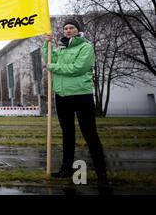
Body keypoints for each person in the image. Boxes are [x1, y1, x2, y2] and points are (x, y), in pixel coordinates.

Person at [42, 19, 111, 193]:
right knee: (67, 134)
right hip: (62, 96)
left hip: (81, 96)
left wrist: (54, 67)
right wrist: (47, 42)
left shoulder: (85, 47)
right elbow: (47, 59)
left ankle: (102, 176)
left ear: (78, 30)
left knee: (90, 135)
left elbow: (77, 68)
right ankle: (66, 169)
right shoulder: (60, 49)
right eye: (65, 28)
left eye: (71, 27)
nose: (68, 30)